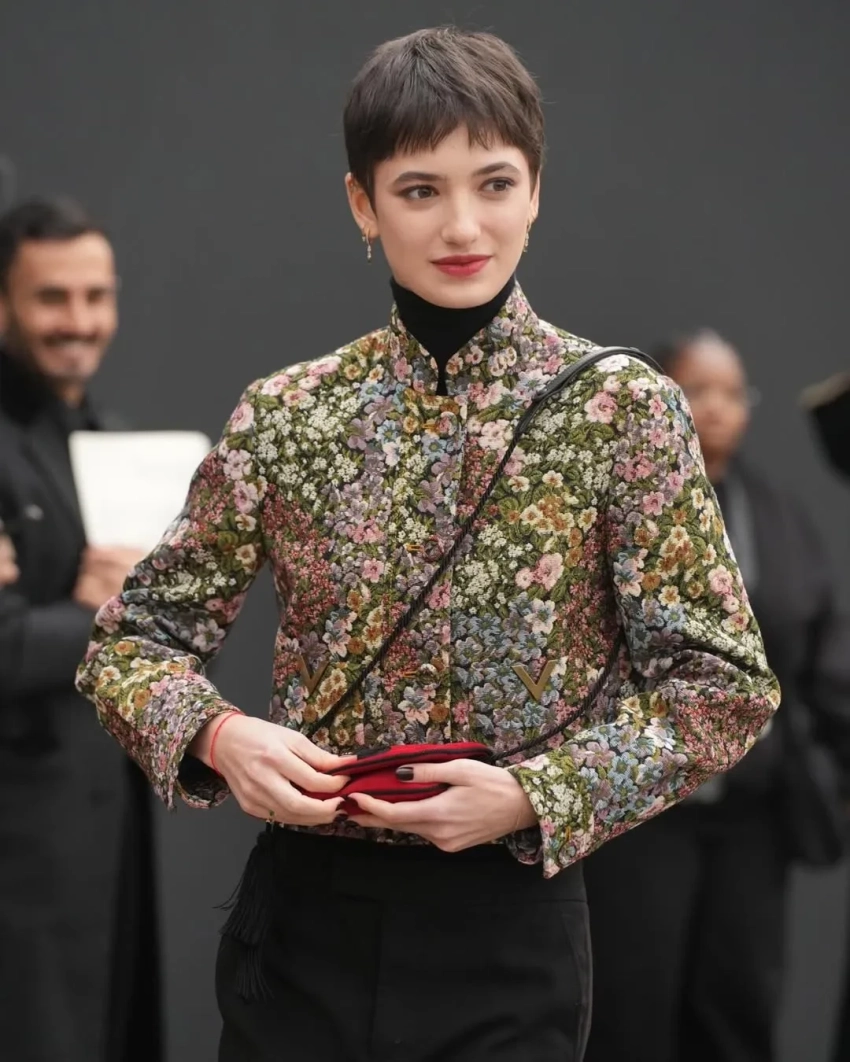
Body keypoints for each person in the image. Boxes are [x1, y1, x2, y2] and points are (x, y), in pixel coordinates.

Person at [77, 28, 778, 1062]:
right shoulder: (291, 413)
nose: (462, 225)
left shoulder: (621, 411)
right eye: (419, 190)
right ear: (362, 204)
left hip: (510, 927)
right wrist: (220, 738)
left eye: (494, 184)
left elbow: (724, 686)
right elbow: (128, 644)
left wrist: (537, 794)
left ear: (535, 192)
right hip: (303, 927)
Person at [584, 330, 850, 1062]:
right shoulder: (616, 506)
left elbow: (822, 653)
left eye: (733, 392)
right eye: (698, 390)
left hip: (751, 814)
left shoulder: (777, 516)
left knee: (737, 999)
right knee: (632, 1006)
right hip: (644, 807)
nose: (718, 408)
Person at [0, 197, 161, 1062]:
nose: (79, 322)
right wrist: (103, 611)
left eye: (95, 296)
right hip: (18, 862)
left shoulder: (117, 445)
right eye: (51, 297)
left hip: (112, 841)